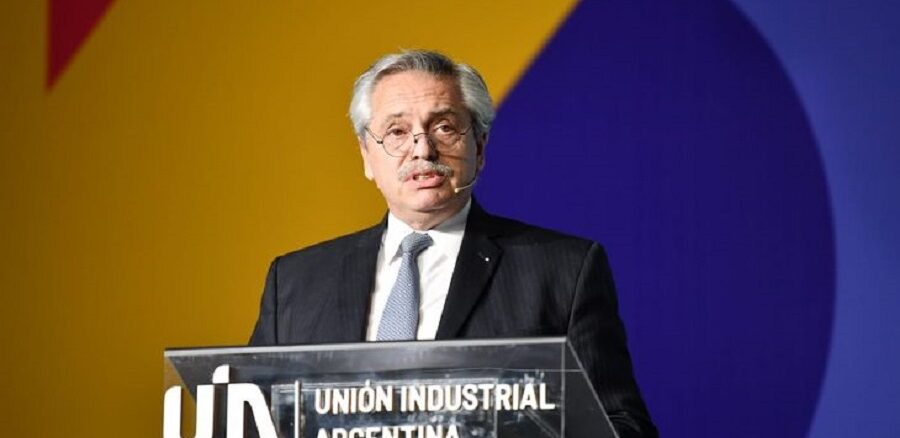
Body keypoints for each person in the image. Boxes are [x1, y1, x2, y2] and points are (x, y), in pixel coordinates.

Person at [249, 50, 658, 437]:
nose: (422, 149)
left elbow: (620, 424)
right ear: (366, 156)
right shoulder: (295, 282)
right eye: (397, 131)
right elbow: (247, 419)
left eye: (444, 127)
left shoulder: (563, 270)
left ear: (479, 148)